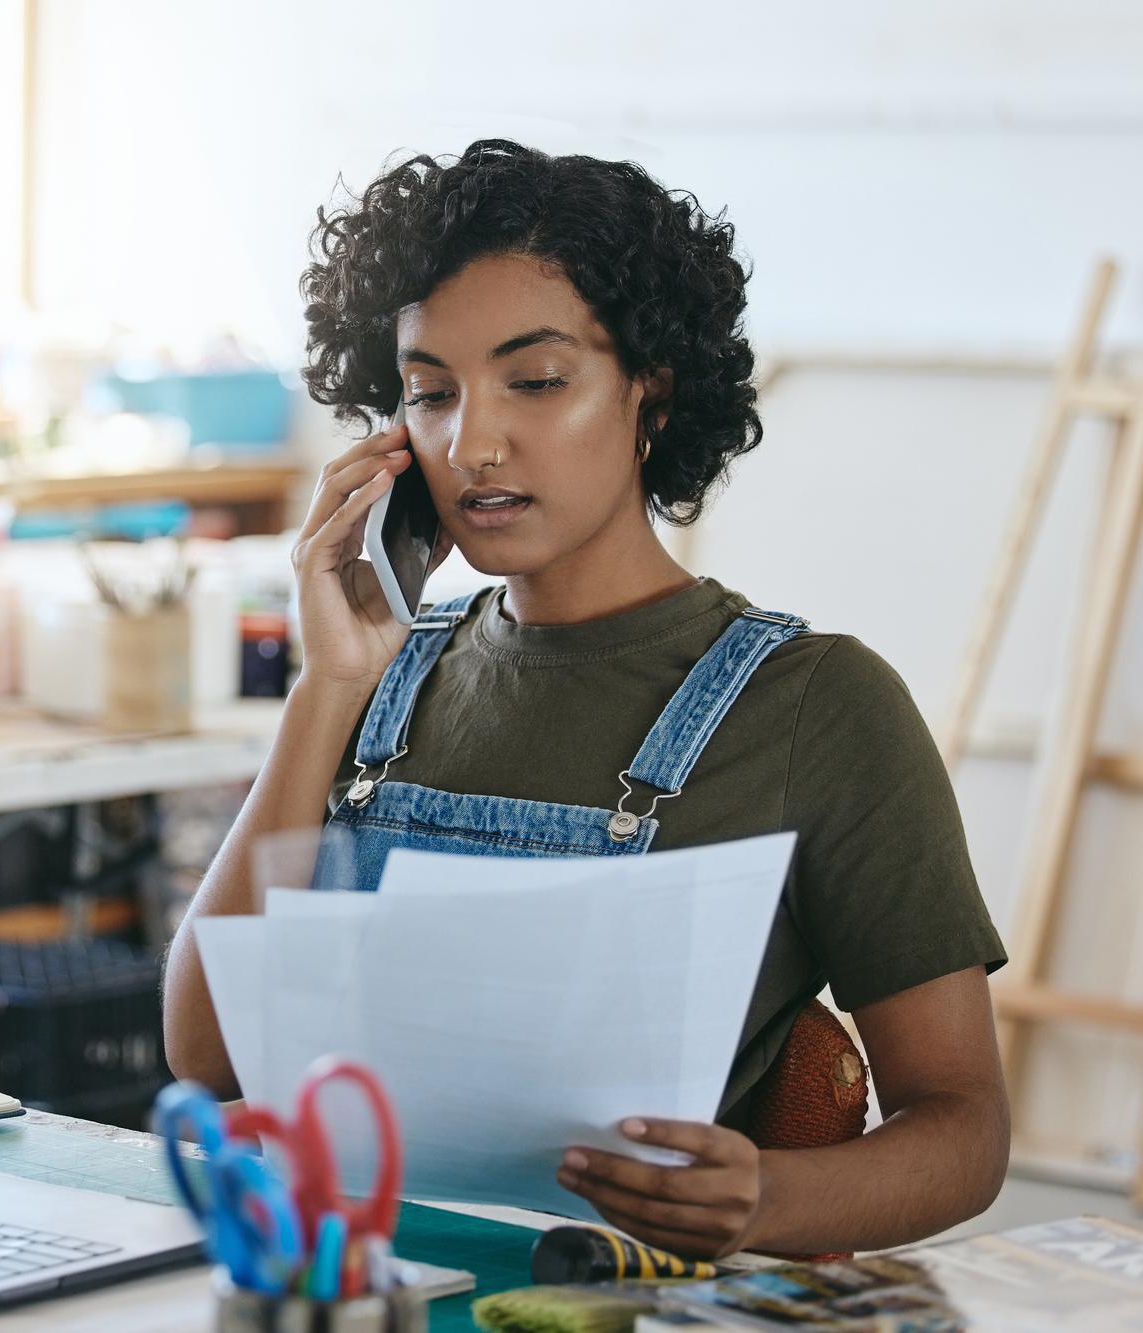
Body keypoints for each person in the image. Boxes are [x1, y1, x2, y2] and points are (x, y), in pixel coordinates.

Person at [162, 139, 1010, 1259]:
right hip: (354, 1287)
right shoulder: (374, 678)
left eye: (537, 379)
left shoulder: (818, 706)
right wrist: (327, 689)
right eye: (429, 393)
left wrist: (766, 1199)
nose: (472, 441)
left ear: (649, 393)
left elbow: (963, 1127)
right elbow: (210, 1055)